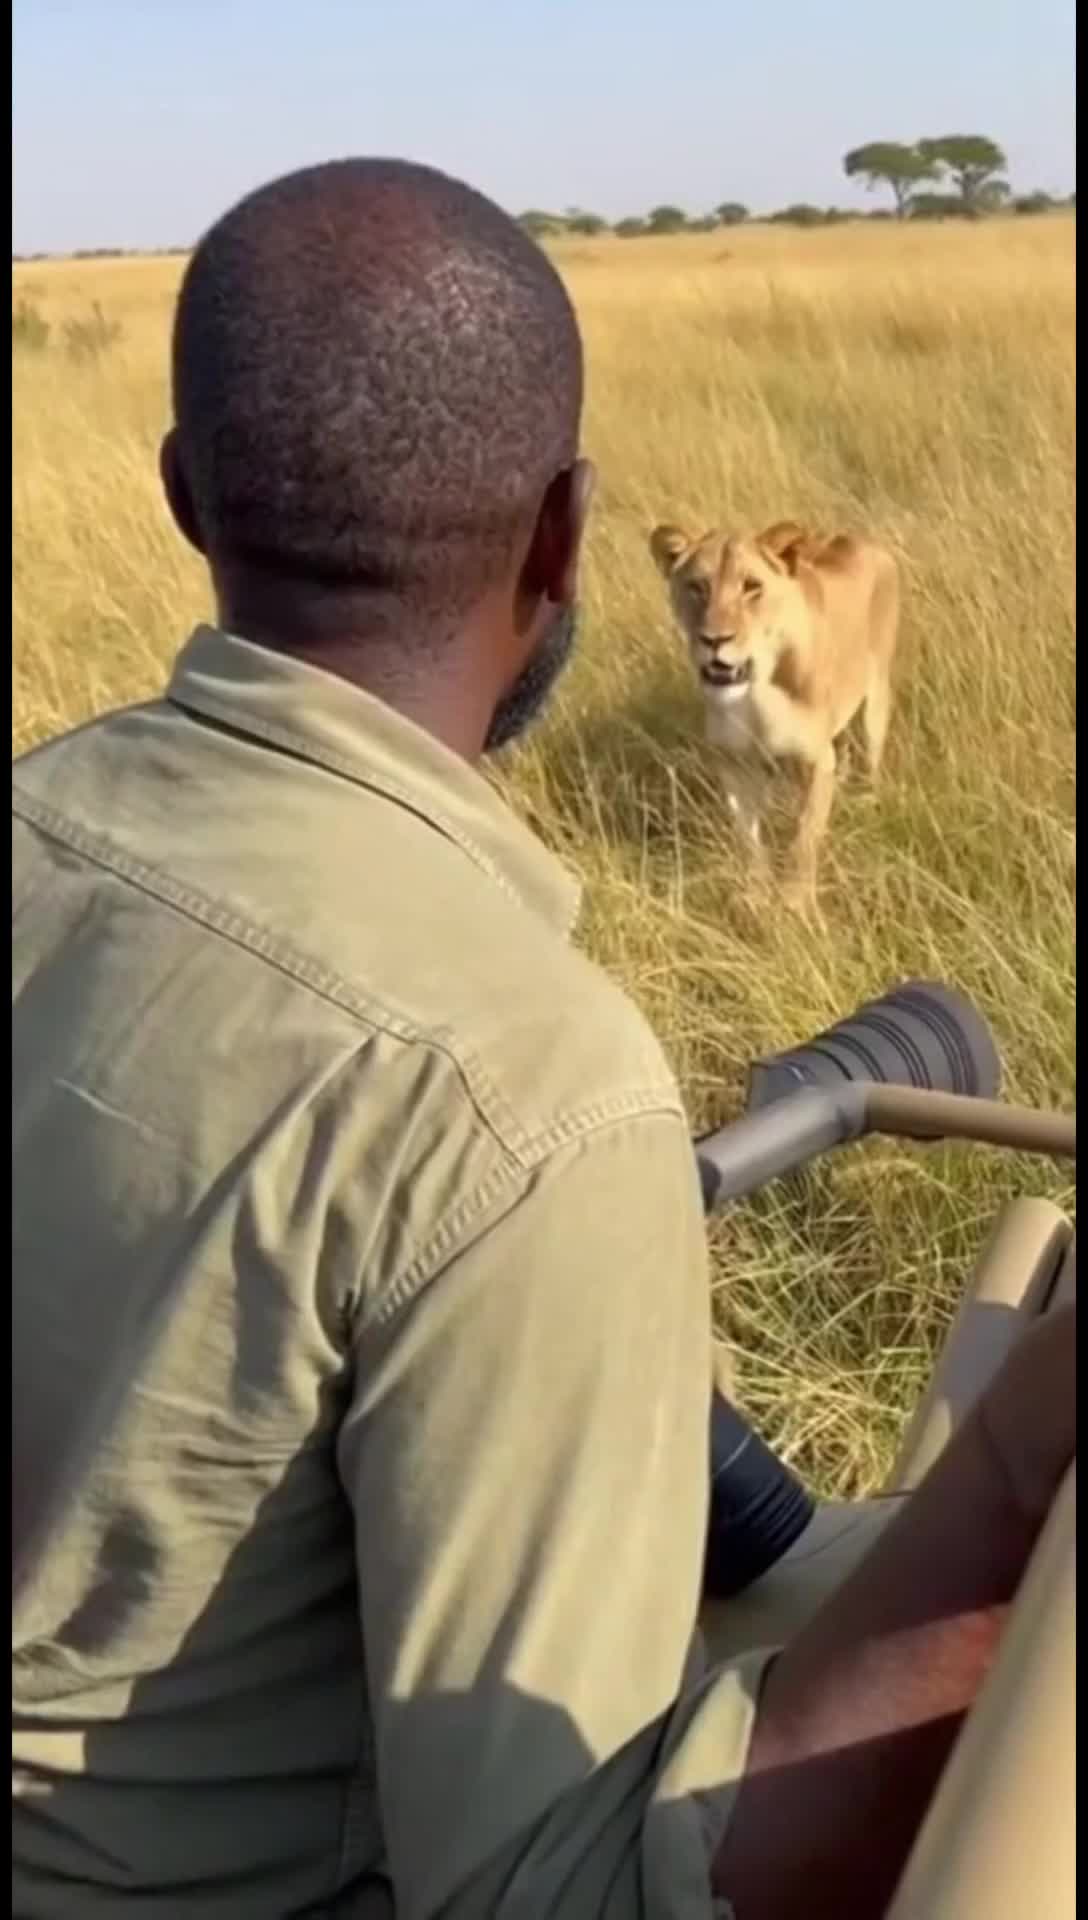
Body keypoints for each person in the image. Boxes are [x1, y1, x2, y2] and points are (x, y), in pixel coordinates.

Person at [12, 158, 1075, 1920]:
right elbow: (556, 1898)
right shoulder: (520, 1091)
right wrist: (1031, 1446)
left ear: (185, 498)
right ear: (573, 539)